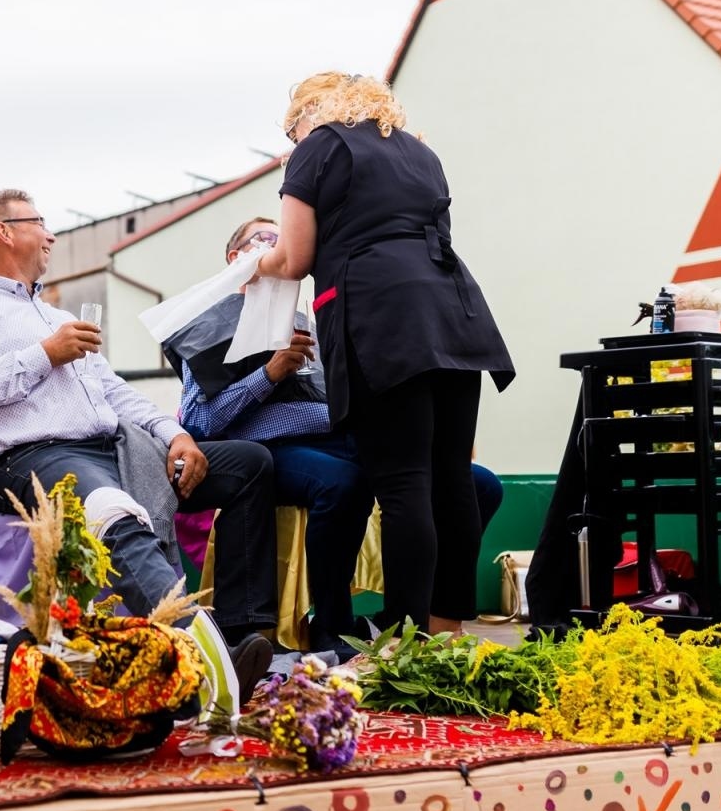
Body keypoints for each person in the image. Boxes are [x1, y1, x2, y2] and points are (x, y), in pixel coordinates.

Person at [0, 189, 280, 698]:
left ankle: (244, 636)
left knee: (250, 464)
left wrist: (176, 435)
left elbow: (114, 392)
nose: (51, 236)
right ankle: (202, 659)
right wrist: (45, 354)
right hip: (30, 458)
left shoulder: (55, 316)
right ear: (4, 232)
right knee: (110, 505)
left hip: (115, 449)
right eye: (40, 223)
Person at [254, 73, 515, 636]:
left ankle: (404, 638)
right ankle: (444, 631)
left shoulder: (316, 147)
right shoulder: (421, 153)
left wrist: (252, 269)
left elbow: (294, 257)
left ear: (305, 116)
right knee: (451, 478)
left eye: (290, 131)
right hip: (455, 313)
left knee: (403, 483)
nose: (292, 141)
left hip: (383, 318)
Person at [179, 217, 507, 651]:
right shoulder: (206, 328)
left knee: (477, 484)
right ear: (235, 257)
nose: (278, 246)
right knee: (343, 484)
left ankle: (409, 615)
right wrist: (268, 375)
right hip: (270, 451)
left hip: (342, 436)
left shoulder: (309, 321)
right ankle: (332, 626)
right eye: (265, 239)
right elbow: (199, 421)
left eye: (283, 239)